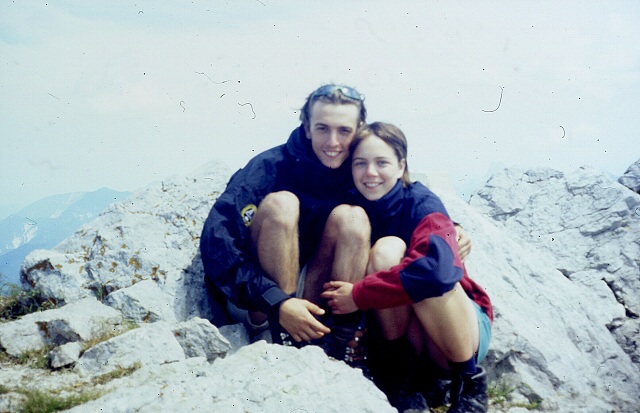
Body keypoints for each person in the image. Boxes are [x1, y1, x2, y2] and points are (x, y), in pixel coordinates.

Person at [200, 84, 473, 368]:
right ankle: (282, 335)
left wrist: (449, 229)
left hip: (315, 293)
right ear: (306, 127)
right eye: (322, 129)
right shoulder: (270, 168)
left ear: (358, 129)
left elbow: (396, 210)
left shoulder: (360, 170)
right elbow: (218, 242)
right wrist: (277, 302)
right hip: (261, 301)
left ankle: (340, 339)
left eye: (344, 131)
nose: (333, 142)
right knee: (282, 205)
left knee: (352, 217)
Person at [321, 122, 492, 413]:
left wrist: (358, 296)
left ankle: (469, 386)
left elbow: (438, 271)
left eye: (382, 162)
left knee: (397, 255)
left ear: (401, 166)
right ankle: (404, 381)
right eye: (360, 163)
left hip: (454, 340)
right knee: (388, 251)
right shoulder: (348, 208)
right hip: (404, 342)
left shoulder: (423, 203)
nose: (370, 172)